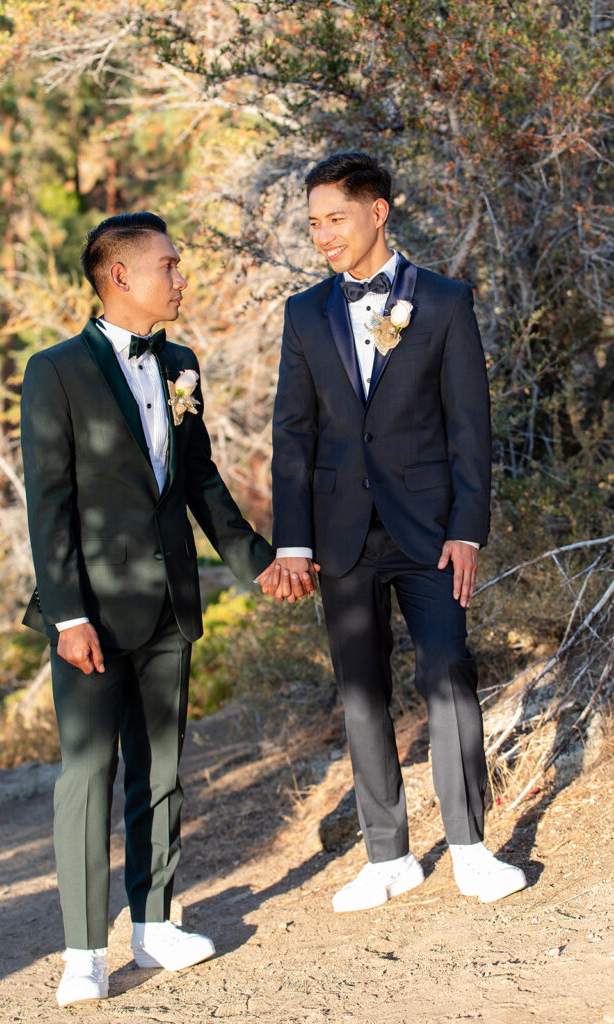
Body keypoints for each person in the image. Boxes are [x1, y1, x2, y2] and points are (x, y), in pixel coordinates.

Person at [258, 152, 527, 912]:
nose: (322, 237)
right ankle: (387, 856)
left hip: (430, 531)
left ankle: (471, 849)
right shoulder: (304, 313)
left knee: (447, 673)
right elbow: (293, 431)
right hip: (339, 535)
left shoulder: (443, 302)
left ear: (378, 211)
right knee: (359, 692)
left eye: (334, 219)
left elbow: (469, 427)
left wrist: (467, 529)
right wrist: (293, 542)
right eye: (312, 225)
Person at [20, 212, 273, 1006]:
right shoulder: (55, 370)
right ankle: (84, 952)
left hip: (171, 603)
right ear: (120, 276)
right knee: (89, 775)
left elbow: (199, 482)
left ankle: (156, 923)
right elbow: (48, 503)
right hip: (90, 613)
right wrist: (66, 617)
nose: (180, 276)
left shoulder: (183, 364)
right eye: (168, 264)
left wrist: (258, 561)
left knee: (162, 770)